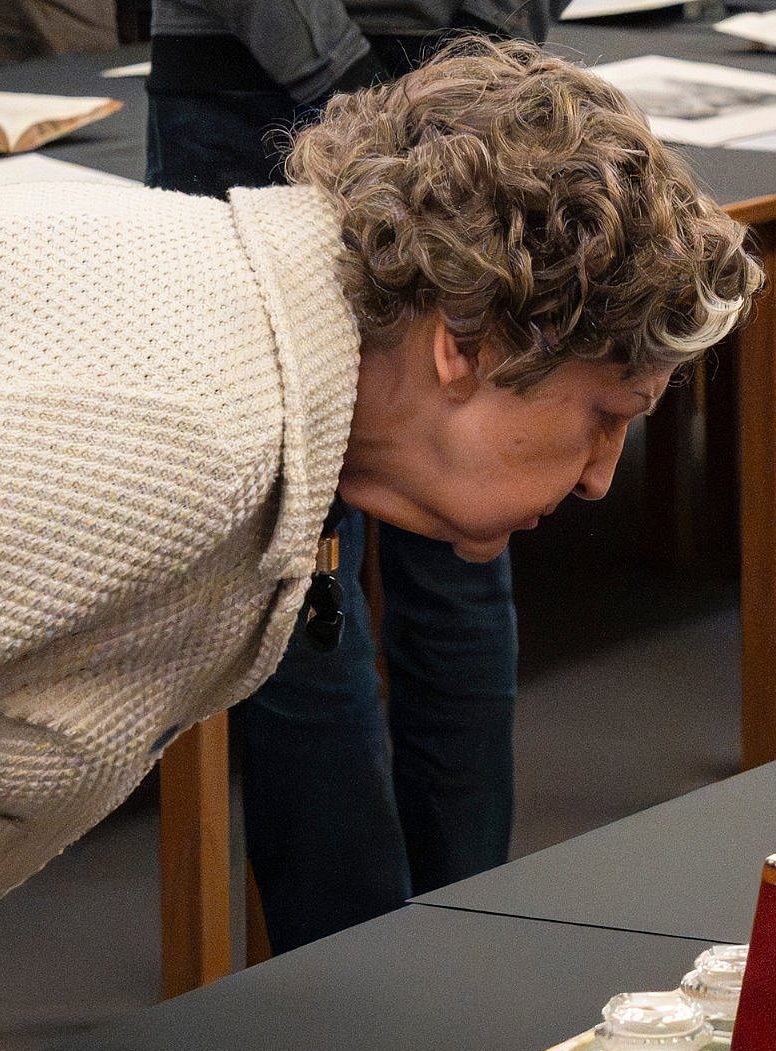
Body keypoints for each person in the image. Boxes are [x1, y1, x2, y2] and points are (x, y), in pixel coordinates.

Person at [0, 38, 762, 925]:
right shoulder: (194, 435)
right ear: (464, 343)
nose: (601, 480)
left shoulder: (258, 371)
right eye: (606, 414)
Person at [144, 0, 550, 952]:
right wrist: (473, 67)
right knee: (415, 539)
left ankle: (358, 973)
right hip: (417, 80)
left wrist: (374, 95)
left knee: (297, 561)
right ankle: (460, 952)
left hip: (271, 76)